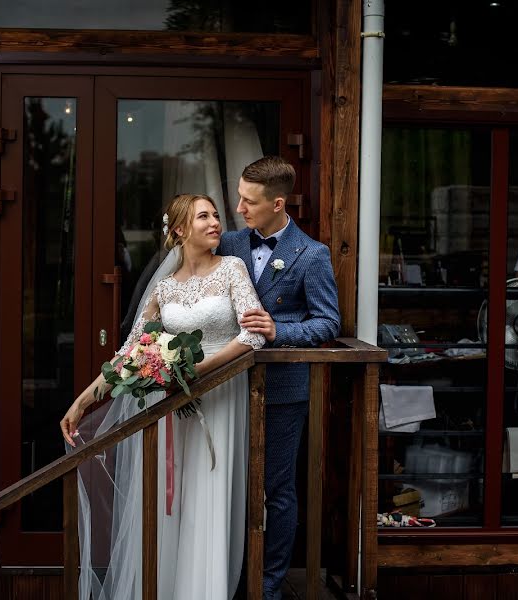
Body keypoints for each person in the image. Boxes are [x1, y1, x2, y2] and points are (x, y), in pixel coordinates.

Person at [59, 193, 266, 600]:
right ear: (179, 231)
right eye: (202, 216)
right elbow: (131, 355)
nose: (214, 223)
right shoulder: (165, 290)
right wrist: (82, 401)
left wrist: (195, 373)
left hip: (222, 400)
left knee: (209, 497)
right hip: (172, 406)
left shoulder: (232, 270)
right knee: (172, 503)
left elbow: (252, 334)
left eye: (215, 215)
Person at [217, 156, 340, 600]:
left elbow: (328, 323)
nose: (240, 208)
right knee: (225, 484)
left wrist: (279, 330)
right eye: (240, 198)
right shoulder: (228, 243)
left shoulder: (312, 255)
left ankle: (268, 584)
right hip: (222, 387)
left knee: (277, 488)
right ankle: (223, 575)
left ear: (278, 203)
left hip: (283, 392)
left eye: (249, 201)